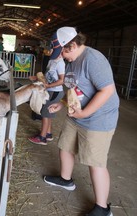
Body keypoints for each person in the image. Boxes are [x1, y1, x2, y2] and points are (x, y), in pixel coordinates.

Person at [43, 27, 119, 216]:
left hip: (98, 118)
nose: (63, 57)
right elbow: (70, 86)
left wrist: (84, 113)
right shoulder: (71, 61)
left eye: (64, 52)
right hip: (76, 112)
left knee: (95, 161)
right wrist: (61, 103)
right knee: (65, 146)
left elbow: (107, 91)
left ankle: (103, 208)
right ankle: (66, 179)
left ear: (74, 45)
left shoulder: (93, 59)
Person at [28, 32, 65, 145]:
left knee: (44, 114)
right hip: (49, 90)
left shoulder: (60, 63)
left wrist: (48, 86)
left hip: (54, 91)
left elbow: (62, 80)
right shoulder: (51, 60)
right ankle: (48, 134)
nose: (49, 51)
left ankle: (42, 138)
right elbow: (47, 75)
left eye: (52, 49)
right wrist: (36, 78)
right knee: (48, 113)